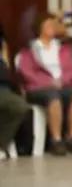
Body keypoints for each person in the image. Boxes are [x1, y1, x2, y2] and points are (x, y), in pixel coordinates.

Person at [17, 13, 72, 156]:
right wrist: (48, 83)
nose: (52, 28)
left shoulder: (63, 48)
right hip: (38, 87)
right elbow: (27, 72)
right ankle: (56, 140)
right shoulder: (30, 50)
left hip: (62, 84)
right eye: (48, 25)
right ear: (40, 28)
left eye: (54, 25)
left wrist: (61, 81)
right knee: (53, 97)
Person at [0, 26, 30, 159]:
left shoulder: (2, 43)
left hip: (3, 87)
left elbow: (6, 69)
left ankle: (1, 145)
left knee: (20, 106)